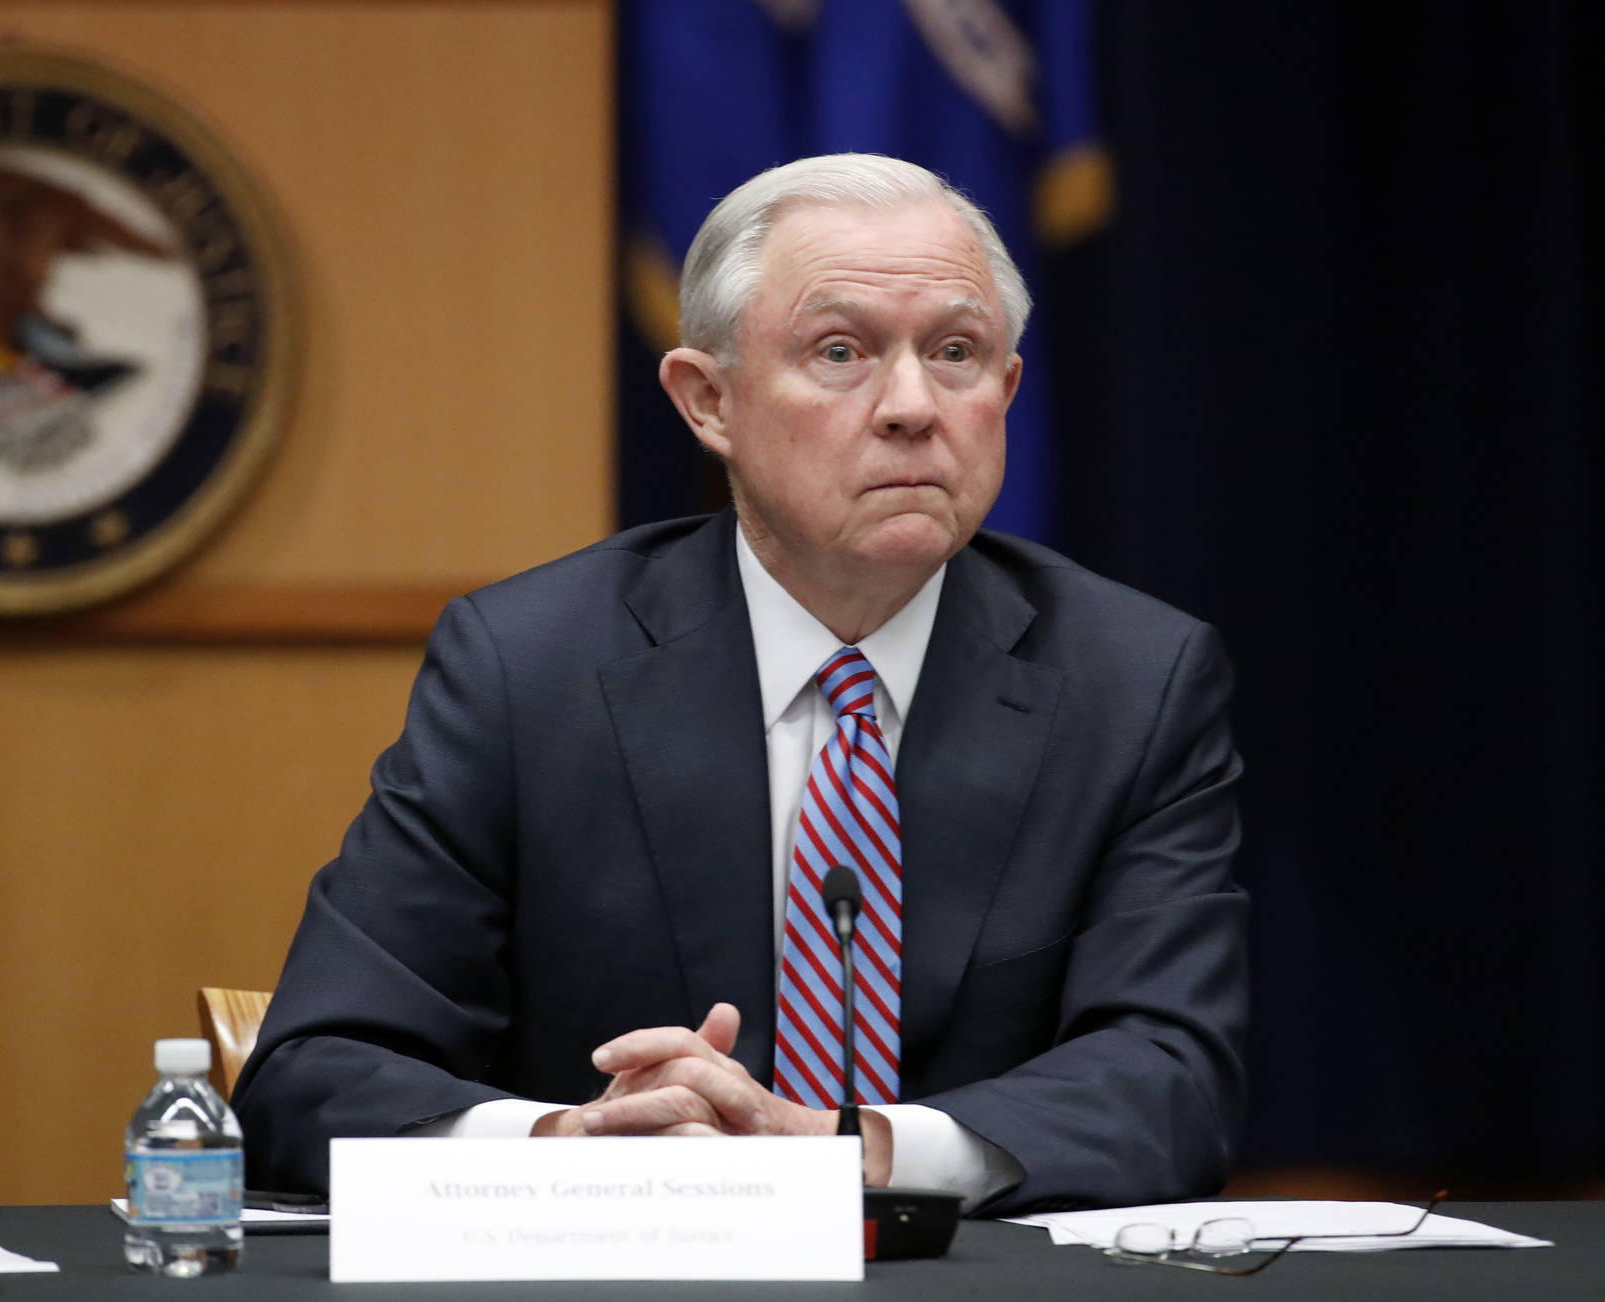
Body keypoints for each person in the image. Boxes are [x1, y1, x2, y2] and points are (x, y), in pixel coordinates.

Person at [234, 154, 1246, 1215]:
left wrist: (842, 1149)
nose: (909, 405)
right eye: (840, 351)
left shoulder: (1132, 681)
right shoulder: (527, 668)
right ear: (706, 401)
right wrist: (561, 1143)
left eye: (955, 352)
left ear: (1005, 391)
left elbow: (1173, 1085)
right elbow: (315, 1067)